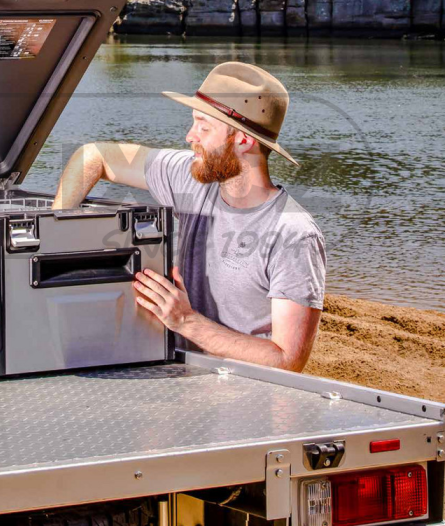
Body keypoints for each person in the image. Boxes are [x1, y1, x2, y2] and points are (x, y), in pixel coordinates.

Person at [52, 61, 326, 372]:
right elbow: (93, 156)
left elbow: (288, 361)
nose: (189, 136)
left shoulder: (293, 234)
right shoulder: (190, 177)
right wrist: (54, 233)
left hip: (247, 395)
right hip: (175, 377)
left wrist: (185, 321)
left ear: (244, 140)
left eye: (204, 127)